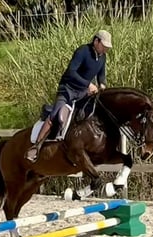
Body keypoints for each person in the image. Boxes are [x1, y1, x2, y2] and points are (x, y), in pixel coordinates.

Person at [25, 30, 112, 163]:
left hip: (84, 93)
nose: (105, 49)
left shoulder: (102, 57)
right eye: (103, 45)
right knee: (57, 116)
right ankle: (36, 147)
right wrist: (88, 84)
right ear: (96, 41)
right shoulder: (82, 51)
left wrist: (102, 85)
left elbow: (101, 75)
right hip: (68, 90)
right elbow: (71, 72)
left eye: (107, 47)